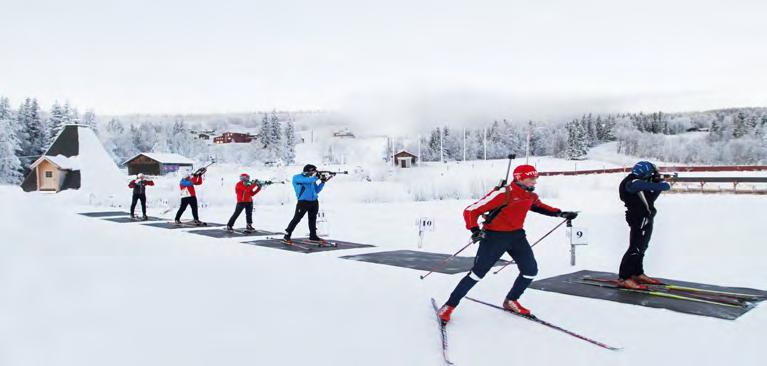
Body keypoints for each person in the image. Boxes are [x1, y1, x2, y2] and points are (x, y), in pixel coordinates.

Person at [437, 165, 578, 322]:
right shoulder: (503, 193)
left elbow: (538, 206)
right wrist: (475, 230)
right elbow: (470, 211)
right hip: (494, 238)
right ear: (520, 178)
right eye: (531, 179)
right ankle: (449, 306)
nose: (535, 182)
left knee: (530, 271)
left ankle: (511, 301)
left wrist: (560, 213)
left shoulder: (530, 195)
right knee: (477, 274)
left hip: (517, 237)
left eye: (535, 179)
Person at [617, 161, 671, 289]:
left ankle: (637, 273)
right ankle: (623, 278)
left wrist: (657, 183)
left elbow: (650, 198)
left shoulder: (641, 185)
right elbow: (660, 186)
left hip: (646, 218)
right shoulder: (632, 182)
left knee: (642, 247)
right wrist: (661, 184)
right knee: (635, 248)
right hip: (637, 218)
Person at [283, 164, 331, 243]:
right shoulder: (297, 177)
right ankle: (287, 235)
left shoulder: (312, 179)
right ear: (307, 171)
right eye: (313, 171)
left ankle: (313, 236)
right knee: (297, 219)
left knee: (313, 219)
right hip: (303, 202)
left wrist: (322, 182)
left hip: (314, 202)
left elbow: (317, 190)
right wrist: (317, 177)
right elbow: (308, 181)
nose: (314, 173)